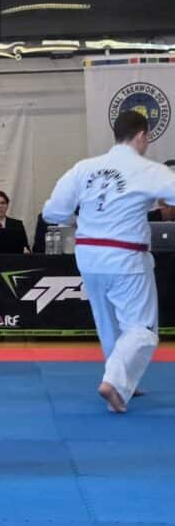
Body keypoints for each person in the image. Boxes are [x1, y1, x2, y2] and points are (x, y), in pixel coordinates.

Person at [43, 109, 175, 414]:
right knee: (141, 327)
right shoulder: (147, 170)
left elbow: (53, 213)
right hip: (125, 256)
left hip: (88, 256)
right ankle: (114, 381)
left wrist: (82, 217)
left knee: (109, 323)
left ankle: (122, 379)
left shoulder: (84, 168)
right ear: (142, 135)